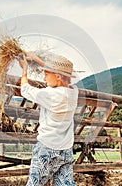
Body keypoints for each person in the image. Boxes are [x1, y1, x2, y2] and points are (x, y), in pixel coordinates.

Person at [18, 52, 79, 186]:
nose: (44, 79)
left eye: (46, 74)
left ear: (57, 76)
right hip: (66, 150)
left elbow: (25, 89)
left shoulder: (50, 94)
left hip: (47, 149)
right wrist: (37, 60)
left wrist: (24, 70)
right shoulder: (74, 92)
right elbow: (58, 78)